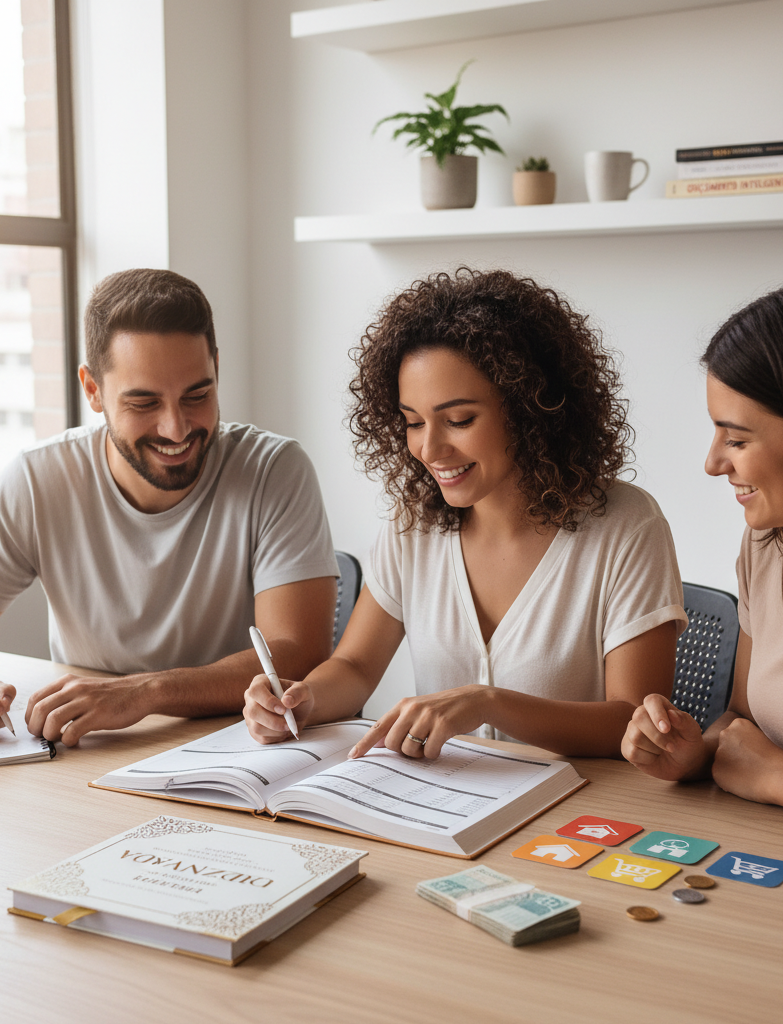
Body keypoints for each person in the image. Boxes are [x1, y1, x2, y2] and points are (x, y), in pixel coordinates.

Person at [244, 268, 687, 758]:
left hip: (578, 811)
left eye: (458, 420)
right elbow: (354, 667)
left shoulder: (626, 526)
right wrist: (302, 699)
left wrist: (489, 703)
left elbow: (632, 720)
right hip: (448, 809)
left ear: (530, 408)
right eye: (413, 422)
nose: (429, 448)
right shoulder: (414, 525)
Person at [0, 269, 338, 746]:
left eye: (198, 395)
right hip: (88, 751)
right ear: (93, 390)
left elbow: (298, 653)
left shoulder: (274, 470)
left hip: (236, 749)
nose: (176, 428)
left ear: (217, 369)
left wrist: (144, 692)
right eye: (144, 403)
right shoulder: (39, 480)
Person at [622, 278, 783, 845]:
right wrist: (693, 752)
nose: (712, 463)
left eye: (736, 439)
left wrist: (777, 776)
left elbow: (764, 764)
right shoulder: (766, 546)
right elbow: (742, 721)